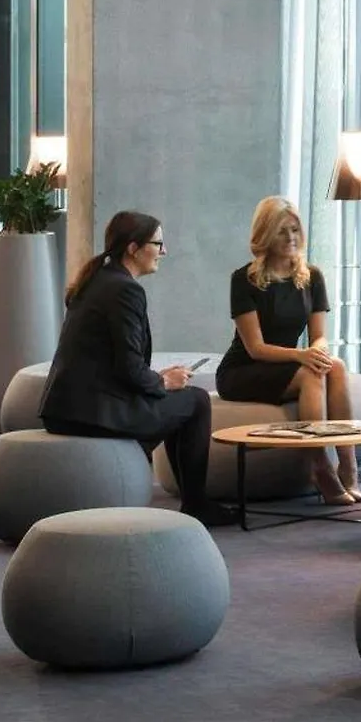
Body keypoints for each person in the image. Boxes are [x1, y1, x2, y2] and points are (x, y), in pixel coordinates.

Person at [40, 211, 237, 527]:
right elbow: (129, 368)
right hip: (92, 414)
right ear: (133, 248)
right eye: (158, 244)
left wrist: (160, 379)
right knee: (197, 401)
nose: (164, 251)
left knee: (179, 401)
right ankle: (196, 503)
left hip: (66, 408)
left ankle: (190, 497)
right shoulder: (125, 290)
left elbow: (111, 361)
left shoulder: (98, 280)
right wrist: (163, 383)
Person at [215, 197, 361, 505]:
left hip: (286, 365)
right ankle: (320, 466)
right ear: (266, 234)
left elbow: (319, 337)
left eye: (295, 229)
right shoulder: (244, 280)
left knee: (335, 365)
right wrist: (301, 355)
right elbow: (255, 349)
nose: (291, 237)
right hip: (243, 370)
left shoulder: (312, 277)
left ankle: (348, 466)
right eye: (282, 231)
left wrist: (317, 352)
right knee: (311, 374)